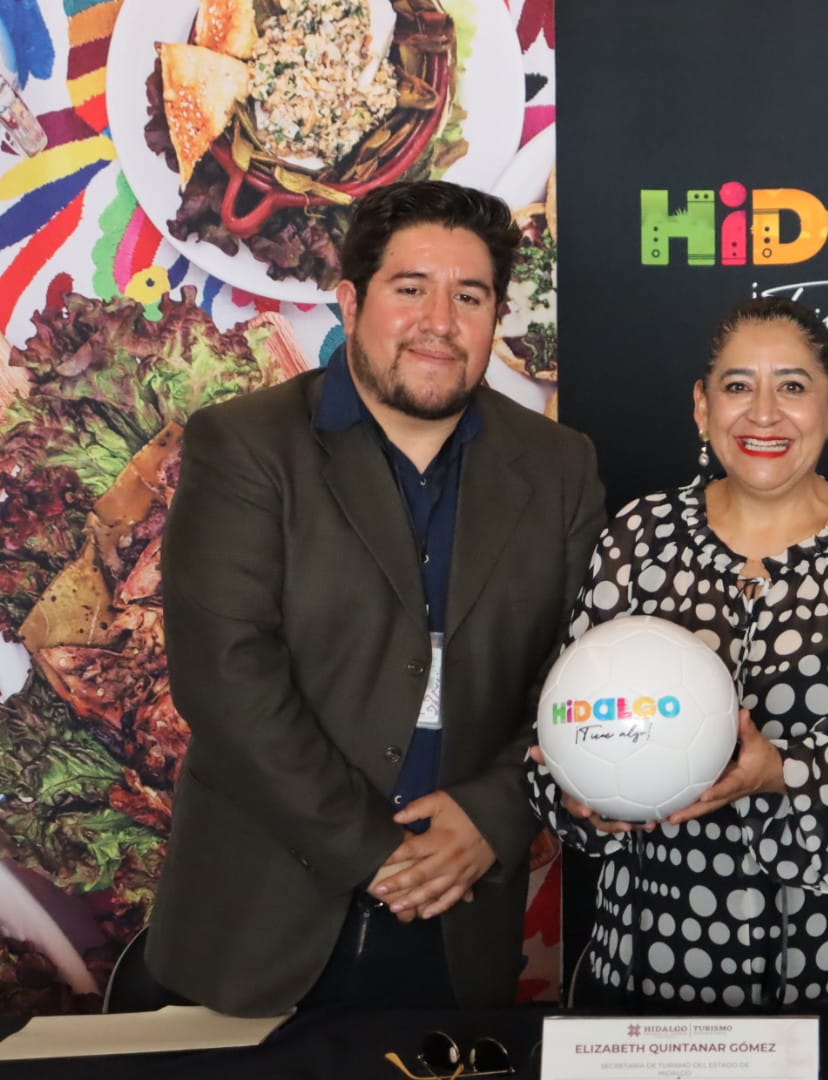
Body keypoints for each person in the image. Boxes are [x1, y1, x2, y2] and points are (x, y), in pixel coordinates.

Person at [145, 180, 605, 1016]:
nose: (440, 321)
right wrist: (378, 853)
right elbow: (227, 678)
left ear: (496, 316)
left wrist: (495, 814)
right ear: (352, 303)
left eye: (470, 296)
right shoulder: (247, 446)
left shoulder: (559, 465)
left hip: (462, 911)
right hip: (264, 918)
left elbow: (575, 675)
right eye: (410, 289)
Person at [526, 297, 828, 1010]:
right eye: (737, 386)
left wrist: (782, 771)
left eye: (792, 386)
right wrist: (578, 794)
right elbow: (560, 724)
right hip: (658, 957)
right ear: (702, 406)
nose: (763, 414)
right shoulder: (639, 538)